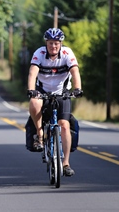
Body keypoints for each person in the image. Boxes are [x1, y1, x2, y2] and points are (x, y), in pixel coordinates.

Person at [27, 28, 83, 176]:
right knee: (34, 102)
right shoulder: (39, 53)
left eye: (57, 43)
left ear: (61, 44)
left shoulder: (67, 53)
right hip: (42, 91)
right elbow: (33, 73)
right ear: (46, 43)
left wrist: (77, 88)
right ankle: (39, 136)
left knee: (64, 125)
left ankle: (66, 163)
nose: (54, 46)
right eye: (51, 43)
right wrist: (31, 90)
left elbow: (75, 72)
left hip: (61, 92)